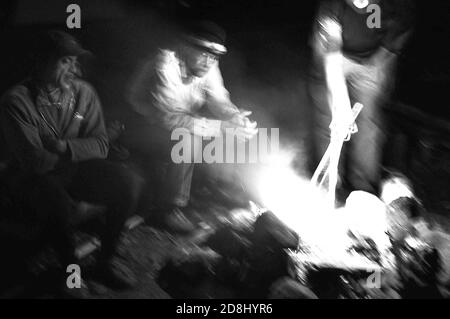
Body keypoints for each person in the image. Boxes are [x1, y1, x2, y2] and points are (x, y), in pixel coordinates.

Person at [0, 30, 141, 293]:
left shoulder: (83, 94)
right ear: (41, 62)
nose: (74, 69)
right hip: (26, 178)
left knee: (128, 183)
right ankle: (70, 274)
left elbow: (101, 144)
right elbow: (35, 163)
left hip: (69, 167)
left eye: (76, 62)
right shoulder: (16, 101)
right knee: (57, 203)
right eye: (65, 61)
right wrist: (81, 150)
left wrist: (66, 147)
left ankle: (104, 262)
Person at [121, 20, 257, 232]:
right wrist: (222, 127)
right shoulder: (164, 64)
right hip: (141, 122)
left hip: (180, 117)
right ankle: (169, 209)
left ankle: (222, 184)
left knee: (227, 128)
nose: (209, 61)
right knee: (188, 139)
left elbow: (218, 99)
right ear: (186, 47)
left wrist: (234, 116)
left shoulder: (207, 65)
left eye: (214, 57)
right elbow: (169, 118)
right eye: (204, 53)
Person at [308, 0, 415, 197]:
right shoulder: (332, 5)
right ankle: (328, 185)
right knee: (331, 120)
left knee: (369, 123)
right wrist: (340, 103)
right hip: (334, 56)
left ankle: (364, 190)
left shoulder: (393, 5)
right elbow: (331, 58)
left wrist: (382, 58)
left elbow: (401, 26)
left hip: (373, 59)